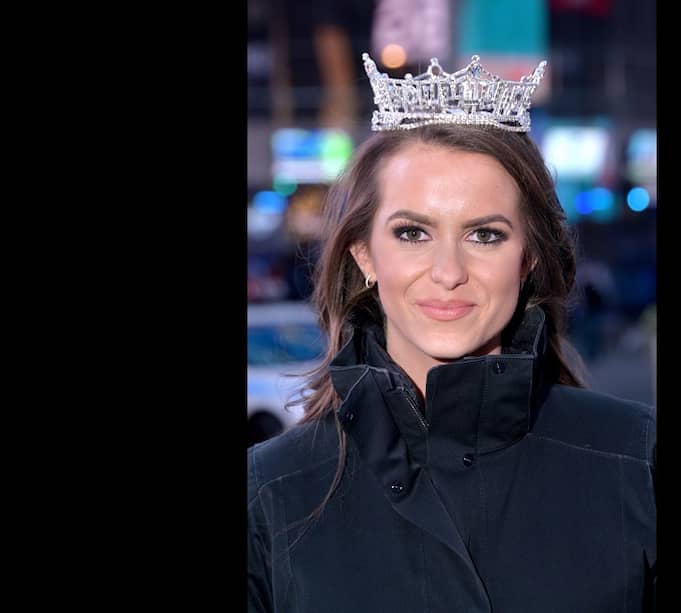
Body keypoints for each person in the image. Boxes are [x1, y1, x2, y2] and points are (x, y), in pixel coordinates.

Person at [248, 53, 656, 613]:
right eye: (413, 232)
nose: (448, 272)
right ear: (364, 253)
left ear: (529, 257)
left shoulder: (637, 460)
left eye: (484, 235)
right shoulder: (270, 493)